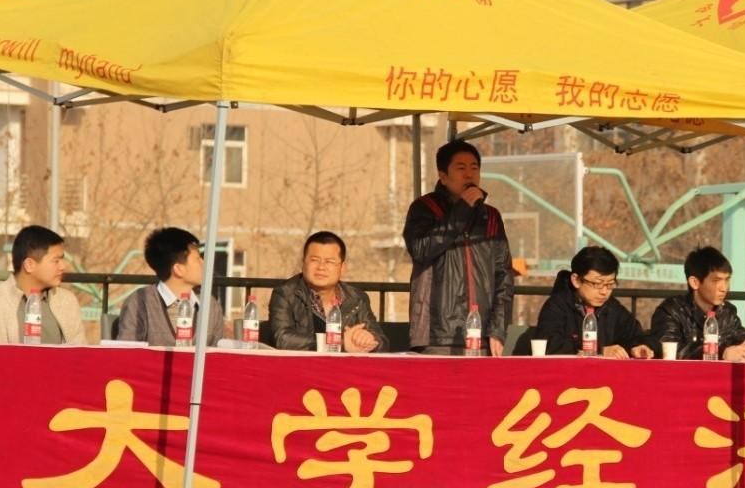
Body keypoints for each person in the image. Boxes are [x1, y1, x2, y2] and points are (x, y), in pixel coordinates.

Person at [403, 139, 513, 355]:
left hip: (482, 333)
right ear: (443, 176)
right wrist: (462, 209)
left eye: (474, 168)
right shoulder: (424, 208)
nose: (469, 174)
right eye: (461, 168)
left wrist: (498, 329)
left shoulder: (490, 216)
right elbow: (421, 250)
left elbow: (503, 275)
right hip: (437, 334)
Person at [0, 225, 85, 345]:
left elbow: (81, 354)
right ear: (29, 265)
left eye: (62, 260)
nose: (63, 266)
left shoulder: (67, 302)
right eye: (56, 261)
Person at [268, 231, 388, 352]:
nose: (321, 267)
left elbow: (382, 342)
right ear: (303, 263)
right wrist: (339, 343)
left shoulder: (357, 298)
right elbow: (282, 339)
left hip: (345, 364)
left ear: (342, 268)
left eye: (330, 261)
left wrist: (369, 340)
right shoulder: (285, 293)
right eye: (314, 260)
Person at [530, 246, 654, 358]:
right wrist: (599, 351)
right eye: (597, 284)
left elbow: (636, 335)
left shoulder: (612, 307)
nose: (604, 292)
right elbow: (549, 344)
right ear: (576, 280)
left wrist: (639, 347)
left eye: (610, 284)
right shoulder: (557, 305)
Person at [114, 227, 223, 346]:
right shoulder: (139, 302)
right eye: (198, 259)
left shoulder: (211, 306)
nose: (204, 263)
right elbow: (126, 353)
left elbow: (218, 353)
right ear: (178, 269)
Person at [650, 246, 745, 361]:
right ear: (695, 283)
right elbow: (669, 350)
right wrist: (722, 353)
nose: (724, 288)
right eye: (716, 281)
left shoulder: (727, 312)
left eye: (727, 280)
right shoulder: (672, 311)